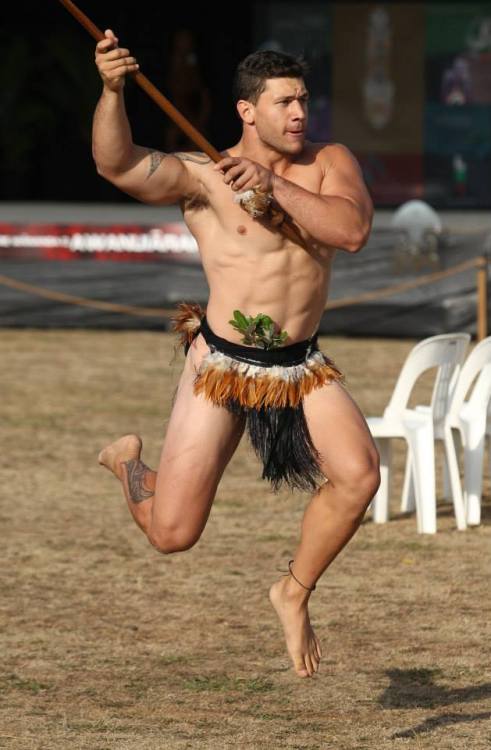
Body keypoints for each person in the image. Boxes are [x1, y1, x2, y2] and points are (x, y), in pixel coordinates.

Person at [93, 29, 380, 679]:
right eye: (283, 103)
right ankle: (128, 464)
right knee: (172, 535)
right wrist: (112, 92)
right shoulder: (202, 175)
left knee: (360, 474)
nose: (299, 113)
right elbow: (117, 164)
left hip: (299, 364)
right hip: (222, 361)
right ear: (247, 111)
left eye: (302, 99)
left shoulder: (329, 162)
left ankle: (293, 590)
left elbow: (352, 231)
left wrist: (273, 187)